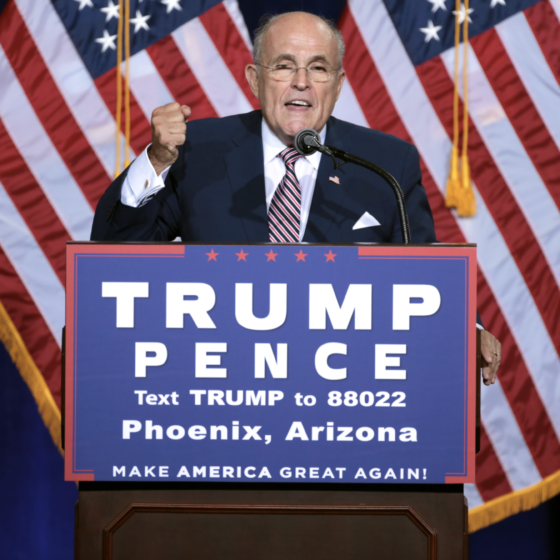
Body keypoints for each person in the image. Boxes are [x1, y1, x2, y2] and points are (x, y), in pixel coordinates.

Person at [91, 11, 501, 383]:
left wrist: (468, 327)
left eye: (318, 68)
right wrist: (156, 160)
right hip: (221, 384)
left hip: (339, 387)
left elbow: (423, 268)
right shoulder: (198, 151)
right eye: (284, 65)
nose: (301, 81)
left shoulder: (387, 163)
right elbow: (116, 257)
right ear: (255, 78)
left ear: (338, 84)